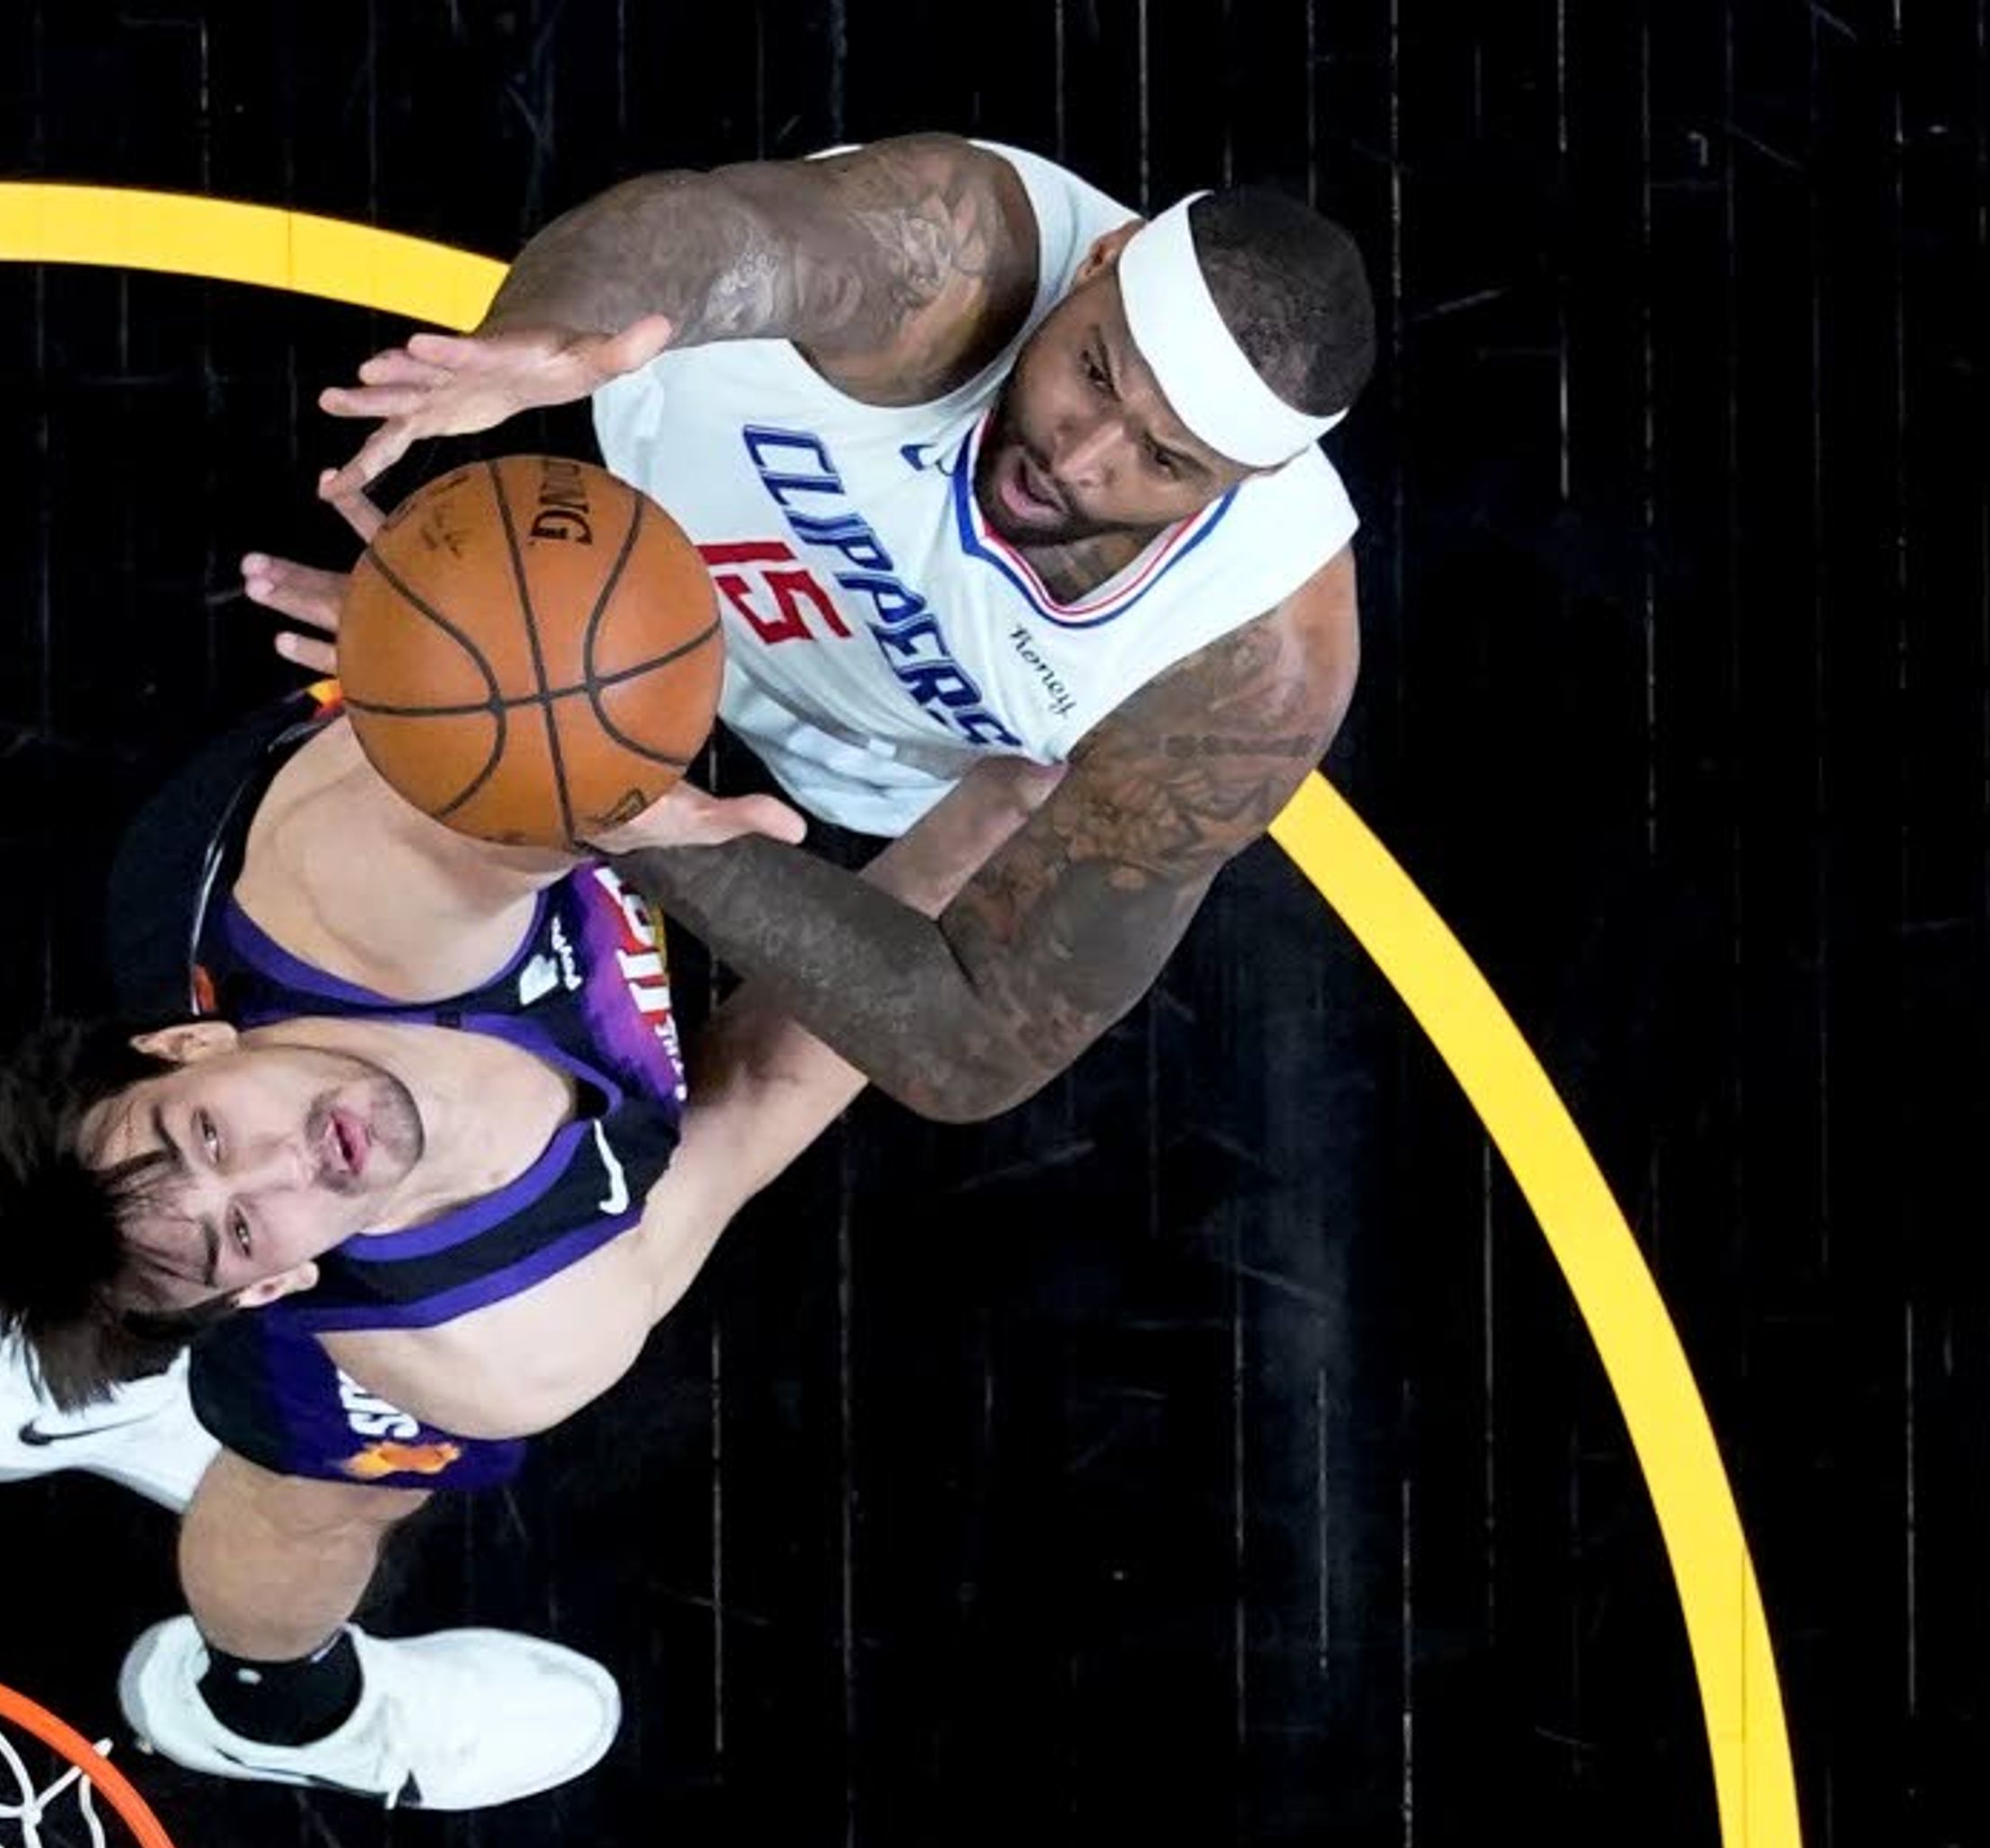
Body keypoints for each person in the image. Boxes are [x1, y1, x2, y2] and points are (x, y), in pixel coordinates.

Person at [0, 643, 1039, 1811]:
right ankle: (268, 1708)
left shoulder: (366, 886)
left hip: (291, 850)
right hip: (374, 1282)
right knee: (339, 1495)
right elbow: (756, 1096)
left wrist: (539, 727)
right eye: (239, 1235)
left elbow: (529, 763)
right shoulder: (498, 1341)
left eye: (203, 1135)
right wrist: (996, 807)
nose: (283, 1165)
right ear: (270, 1286)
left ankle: (116, 1335)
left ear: (193, 1046)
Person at [246, 133, 1376, 1122]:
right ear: (1103, 258)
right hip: (606, 507)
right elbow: (708, 229)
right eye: (1093, 372)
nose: (1080, 458)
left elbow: (973, 1042)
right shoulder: (958, 254)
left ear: (1257, 476)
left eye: (1165, 461)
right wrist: (562, 330)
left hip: (832, 788)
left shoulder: (1254, 662)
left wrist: (610, 792)